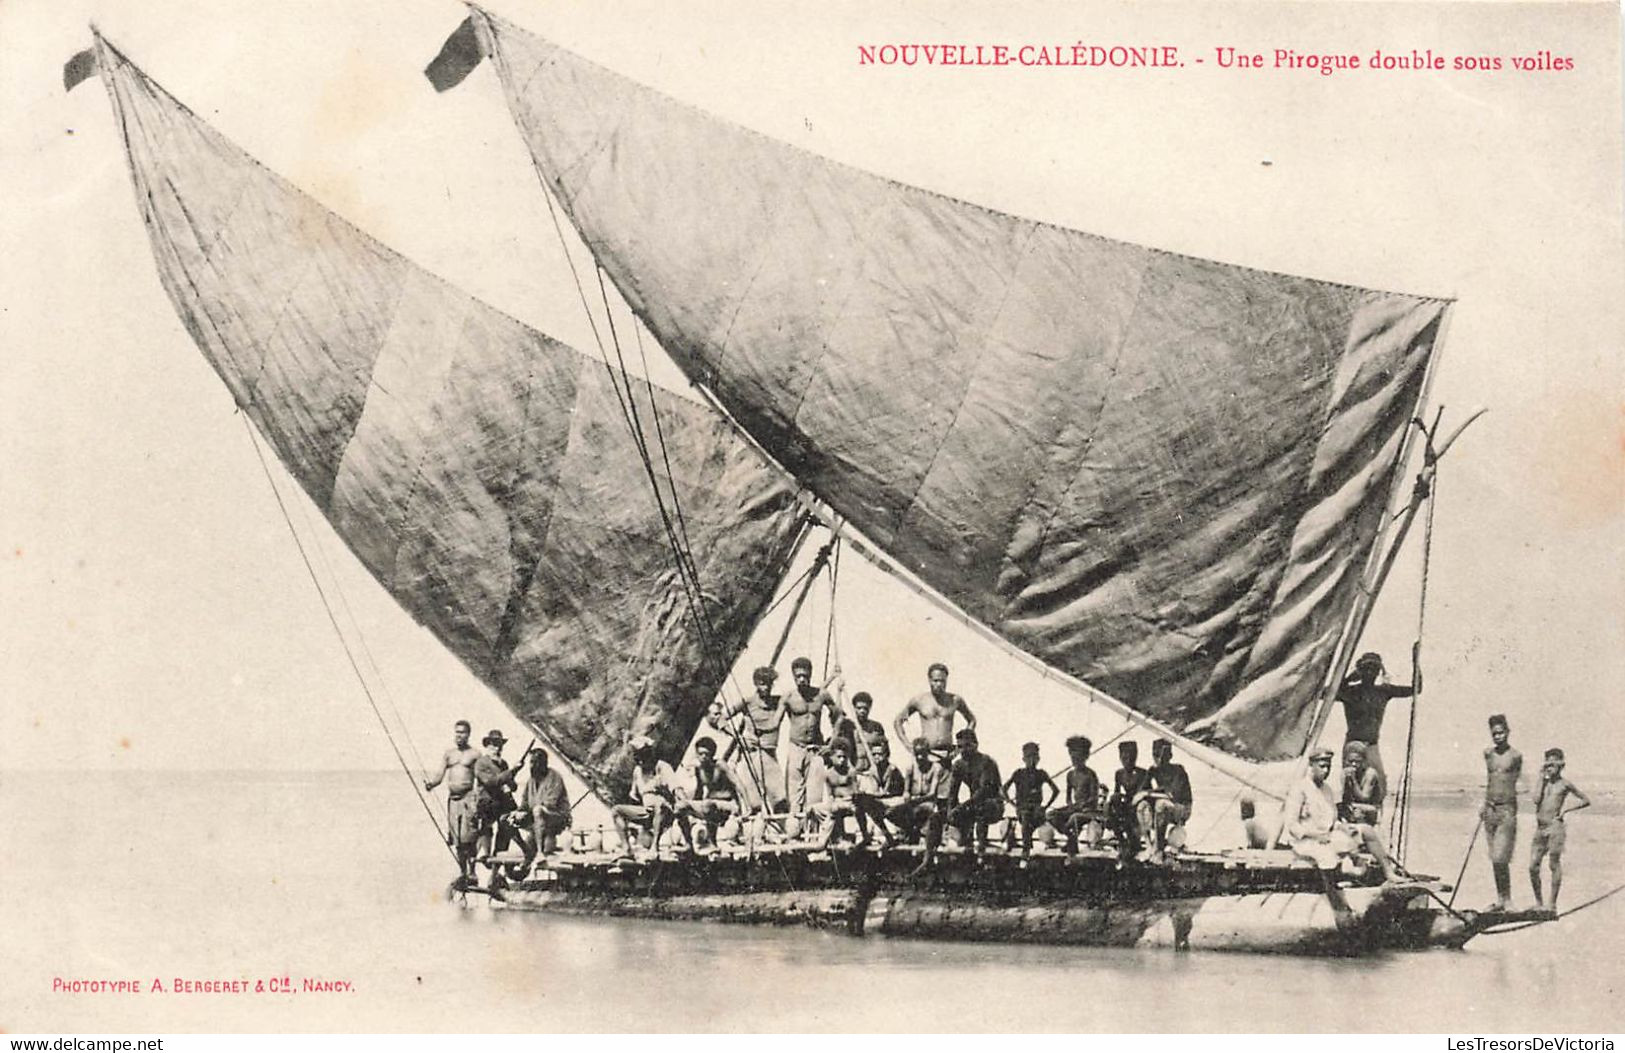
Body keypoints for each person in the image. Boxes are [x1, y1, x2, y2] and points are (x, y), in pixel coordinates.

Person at [1282, 747, 1399, 881]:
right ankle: (1336, 893)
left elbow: (1331, 821)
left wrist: (1342, 827)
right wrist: (1316, 835)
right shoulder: (1299, 788)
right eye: (1322, 766)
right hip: (1307, 841)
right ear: (1311, 765)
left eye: (1328, 767)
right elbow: (1292, 826)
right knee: (1329, 859)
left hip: (1328, 837)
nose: (1325, 771)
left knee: (1366, 831)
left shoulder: (1327, 790)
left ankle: (1389, 872)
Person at [1336, 651, 1418, 784]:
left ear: (1378, 672)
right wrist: (1348, 679)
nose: (1370, 672)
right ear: (1360, 671)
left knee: (1379, 786)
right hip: (1353, 745)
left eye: (1374, 669)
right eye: (1366, 668)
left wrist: (1416, 663)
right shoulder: (1350, 692)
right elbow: (1324, 693)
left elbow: (1416, 689)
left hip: (1372, 745)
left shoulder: (1384, 691)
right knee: (1352, 783)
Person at [1529, 747, 1589, 913]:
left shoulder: (1565, 784)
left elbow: (1585, 800)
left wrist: (1566, 810)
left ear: (1561, 765)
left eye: (1553, 763)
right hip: (1540, 829)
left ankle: (1552, 904)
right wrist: (1541, 778)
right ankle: (1539, 903)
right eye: (1547, 763)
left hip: (1555, 828)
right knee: (1533, 866)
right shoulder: (1544, 782)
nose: (1550, 767)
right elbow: (1535, 799)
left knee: (1553, 864)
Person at [724, 667, 789, 814]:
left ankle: (782, 835)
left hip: (770, 756)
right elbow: (721, 717)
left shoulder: (778, 701)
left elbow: (803, 699)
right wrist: (736, 736)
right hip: (751, 756)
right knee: (754, 804)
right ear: (756, 683)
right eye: (762, 683)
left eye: (768, 683)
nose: (765, 687)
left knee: (781, 799)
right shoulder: (747, 702)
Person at [424, 720, 482, 885]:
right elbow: (439, 776)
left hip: (469, 798)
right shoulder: (449, 754)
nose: (459, 735)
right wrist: (431, 784)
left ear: (468, 734)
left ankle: (472, 873)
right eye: (457, 732)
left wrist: (477, 799)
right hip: (453, 800)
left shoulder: (475, 754)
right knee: (456, 839)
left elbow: (481, 778)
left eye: (462, 732)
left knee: (468, 838)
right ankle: (463, 872)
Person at [785, 656, 840, 813]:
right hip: (796, 747)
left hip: (816, 748)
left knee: (814, 796)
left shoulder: (822, 695)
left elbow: (838, 716)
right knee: (795, 794)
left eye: (805, 676)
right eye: (798, 676)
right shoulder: (789, 696)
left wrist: (832, 743)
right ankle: (795, 830)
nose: (802, 679)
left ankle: (812, 834)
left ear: (810, 675)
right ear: (793, 676)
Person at [1482, 714, 1523, 911]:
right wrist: (1483, 806)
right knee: (1494, 858)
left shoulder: (1515, 756)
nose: (1498, 737)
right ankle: (1500, 899)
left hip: (1507, 809)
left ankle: (1508, 900)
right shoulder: (1488, 754)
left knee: (1501, 856)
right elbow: (1490, 781)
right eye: (1494, 734)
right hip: (1490, 809)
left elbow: (1513, 782)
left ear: (1507, 732)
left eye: (1501, 733)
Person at [612, 735, 678, 857]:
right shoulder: (637, 771)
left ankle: (655, 847)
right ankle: (626, 849)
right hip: (647, 812)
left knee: (660, 805)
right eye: (637, 758)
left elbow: (676, 790)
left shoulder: (662, 767)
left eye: (643, 756)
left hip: (665, 812)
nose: (640, 761)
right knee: (617, 810)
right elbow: (635, 797)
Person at [893, 662, 977, 756]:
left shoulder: (955, 700)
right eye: (936, 680)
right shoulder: (919, 700)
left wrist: (962, 744)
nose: (939, 684)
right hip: (925, 754)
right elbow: (898, 721)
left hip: (947, 754)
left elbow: (971, 720)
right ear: (929, 680)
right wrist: (907, 745)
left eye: (942, 681)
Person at [673, 736, 740, 851]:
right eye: (700, 754)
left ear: (712, 754)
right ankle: (689, 845)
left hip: (728, 804)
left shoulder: (720, 765)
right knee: (680, 806)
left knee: (708, 804)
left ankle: (713, 843)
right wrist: (690, 805)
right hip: (709, 805)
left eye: (706, 754)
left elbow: (738, 784)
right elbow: (699, 791)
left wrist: (745, 807)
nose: (703, 757)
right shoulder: (699, 769)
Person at [944, 728, 1003, 858]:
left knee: (978, 807)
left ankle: (981, 850)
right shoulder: (959, 765)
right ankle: (965, 844)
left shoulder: (986, 762)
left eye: (967, 746)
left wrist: (961, 808)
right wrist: (950, 813)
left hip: (993, 805)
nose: (963, 750)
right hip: (974, 805)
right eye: (959, 747)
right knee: (954, 813)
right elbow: (952, 793)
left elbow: (983, 792)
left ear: (976, 745)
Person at [897, 737, 951, 871]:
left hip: (927, 802)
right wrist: (907, 795)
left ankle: (926, 846)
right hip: (913, 802)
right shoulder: (910, 767)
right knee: (898, 812)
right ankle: (905, 839)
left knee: (924, 812)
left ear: (928, 753)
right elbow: (906, 790)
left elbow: (932, 794)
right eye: (917, 754)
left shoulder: (935, 768)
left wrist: (915, 801)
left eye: (923, 754)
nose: (920, 757)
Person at [471, 729, 523, 868]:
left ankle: (494, 874)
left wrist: (512, 779)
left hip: (502, 805)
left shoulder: (503, 764)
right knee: (483, 834)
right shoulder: (481, 763)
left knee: (504, 836)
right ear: (487, 745)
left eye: (499, 744)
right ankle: (470, 870)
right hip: (487, 805)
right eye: (493, 744)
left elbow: (512, 784)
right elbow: (491, 782)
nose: (497, 748)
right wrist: (512, 771)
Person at [512, 746, 572, 865]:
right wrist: (518, 812)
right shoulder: (531, 780)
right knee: (508, 818)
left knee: (538, 810)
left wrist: (529, 812)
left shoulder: (555, 777)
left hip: (557, 816)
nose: (532, 766)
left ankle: (540, 853)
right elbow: (524, 801)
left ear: (544, 762)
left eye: (535, 762)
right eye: (531, 762)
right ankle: (526, 850)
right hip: (537, 817)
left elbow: (551, 803)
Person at [1047, 735, 1102, 855]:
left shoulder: (1090, 774)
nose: (1075, 761)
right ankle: (1071, 837)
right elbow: (1068, 797)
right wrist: (1070, 805)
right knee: (1051, 815)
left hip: (1088, 809)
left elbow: (1094, 798)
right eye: (1073, 758)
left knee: (1074, 818)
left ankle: (1072, 840)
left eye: (1078, 758)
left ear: (1085, 757)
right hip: (1076, 807)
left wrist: (1082, 806)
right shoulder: (1070, 775)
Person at [1003, 742, 1059, 857]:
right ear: (1023, 758)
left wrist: (1046, 806)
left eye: (1034, 756)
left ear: (1038, 758)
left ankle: (1026, 843)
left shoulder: (1041, 774)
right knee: (1025, 816)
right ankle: (1026, 848)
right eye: (1029, 757)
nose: (1032, 760)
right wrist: (1013, 804)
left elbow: (1055, 790)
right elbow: (1003, 790)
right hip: (1022, 809)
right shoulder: (1018, 773)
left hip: (1037, 810)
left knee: (1035, 817)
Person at [1142, 739, 1193, 863]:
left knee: (1161, 804)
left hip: (1181, 807)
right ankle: (1149, 844)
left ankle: (1158, 849)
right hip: (1163, 805)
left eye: (1162, 755)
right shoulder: (1153, 771)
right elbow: (1143, 791)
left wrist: (1156, 791)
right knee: (1142, 805)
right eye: (1155, 755)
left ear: (1170, 756)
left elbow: (1173, 794)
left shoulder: (1178, 770)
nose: (1158, 759)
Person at [853, 737, 905, 848]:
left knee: (871, 804)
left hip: (896, 800)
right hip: (883, 799)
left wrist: (870, 796)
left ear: (886, 755)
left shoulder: (892, 770)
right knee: (860, 804)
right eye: (874, 754)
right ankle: (866, 835)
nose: (877, 757)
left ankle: (889, 836)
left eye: (880, 754)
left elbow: (887, 792)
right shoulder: (873, 770)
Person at [1108, 741, 1152, 861]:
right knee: (1110, 805)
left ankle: (1134, 843)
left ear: (1136, 757)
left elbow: (1146, 793)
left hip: (1139, 806)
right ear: (1120, 757)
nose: (1127, 761)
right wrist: (1116, 798)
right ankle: (1122, 841)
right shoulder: (1119, 774)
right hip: (1126, 803)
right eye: (1124, 758)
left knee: (1132, 812)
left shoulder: (1143, 773)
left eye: (1131, 758)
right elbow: (1117, 791)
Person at [812, 739, 860, 849]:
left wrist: (847, 803)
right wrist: (831, 804)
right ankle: (835, 836)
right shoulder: (828, 774)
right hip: (836, 803)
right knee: (815, 808)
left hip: (849, 802)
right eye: (839, 757)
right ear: (832, 757)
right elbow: (830, 794)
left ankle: (823, 841)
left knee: (833, 812)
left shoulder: (850, 772)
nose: (842, 760)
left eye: (844, 757)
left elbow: (856, 793)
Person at [838, 691, 890, 772]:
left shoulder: (876, 727)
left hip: (871, 772)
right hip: (853, 771)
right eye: (859, 708)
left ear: (870, 708)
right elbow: (837, 715)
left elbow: (886, 751)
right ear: (854, 708)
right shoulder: (848, 726)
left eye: (865, 708)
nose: (862, 711)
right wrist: (839, 692)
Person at [1339, 741, 1383, 824]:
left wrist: (1353, 780)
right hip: (1354, 806)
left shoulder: (1370, 773)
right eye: (1350, 761)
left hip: (1371, 808)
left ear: (1364, 761)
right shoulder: (1345, 773)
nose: (1354, 764)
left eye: (1357, 761)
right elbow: (1345, 797)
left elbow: (1364, 797)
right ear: (1345, 761)